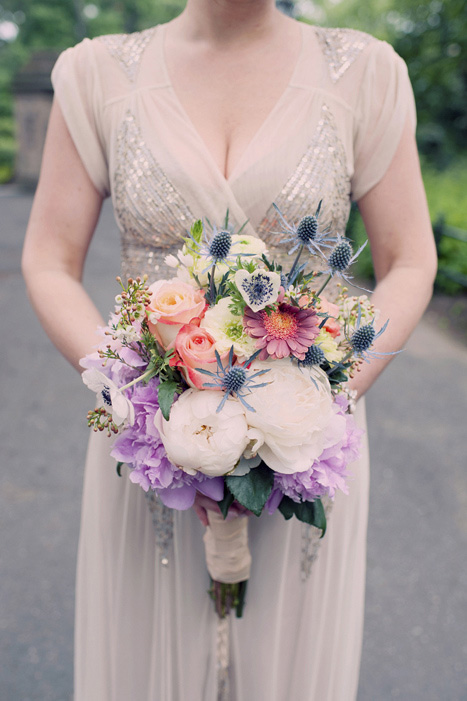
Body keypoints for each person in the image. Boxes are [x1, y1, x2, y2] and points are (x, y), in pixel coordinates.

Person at [22, 1, 437, 699]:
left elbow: (410, 261)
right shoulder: (95, 74)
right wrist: (132, 395)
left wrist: (319, 399)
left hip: (308, 437)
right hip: (152, 438)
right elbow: (47, 260)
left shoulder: (365, 72)